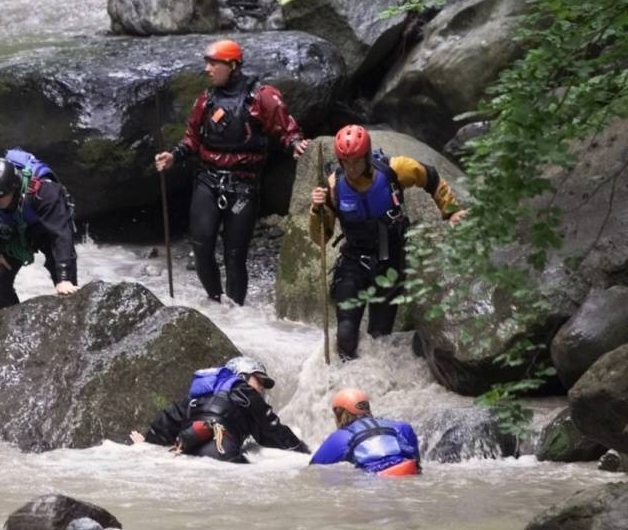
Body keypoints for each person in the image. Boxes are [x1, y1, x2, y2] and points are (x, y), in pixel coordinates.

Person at [154, 39, 309, 306]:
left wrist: (295, 144)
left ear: (233, 65)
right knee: (201, 248)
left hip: (243, 186)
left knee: (234, 255)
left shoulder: (263, 97)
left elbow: (285, 129)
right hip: (207, 179)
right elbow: (192, 138)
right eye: (207, 63)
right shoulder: (206, 100)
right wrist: (173, 156)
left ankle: (235, 311)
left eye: (214, 64)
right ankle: (216, 306)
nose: (207, 69)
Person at [310, 124, 467, 360]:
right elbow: (321, 238)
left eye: (356, 161)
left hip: (390, 262)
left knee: (379, 337)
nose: (352, 168)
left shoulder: (395, 169)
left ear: (366, 156)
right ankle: (344, 383)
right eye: (346, 162)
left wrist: (451, 211)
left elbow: (431, 178)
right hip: (354, 262)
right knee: (345, 334)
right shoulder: (334, 187)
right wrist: (316, 209)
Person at [131, 356, 309, 463]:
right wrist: (305, 453)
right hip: (222, 454)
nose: (261, 388)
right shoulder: (244, 390)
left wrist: (146, 446)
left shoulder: (195, 398)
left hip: (186, 455)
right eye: (258, 380)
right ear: (241, 376)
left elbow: (165, 421)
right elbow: (272, 428)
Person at [0, 152, 78, 308]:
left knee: (66, 287)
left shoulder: (44, 192)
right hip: (16, 228)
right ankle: (10, 324)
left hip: (47, 229)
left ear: (14, 188)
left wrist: (64, 277)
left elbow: (61, 235)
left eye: (0, 197)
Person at [310, 389, 421, 476]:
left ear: (339, 414)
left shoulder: (340, 438)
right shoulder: (400, 426)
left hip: (375, 480)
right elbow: (415, 458)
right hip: (408, 471)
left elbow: (314, 468)